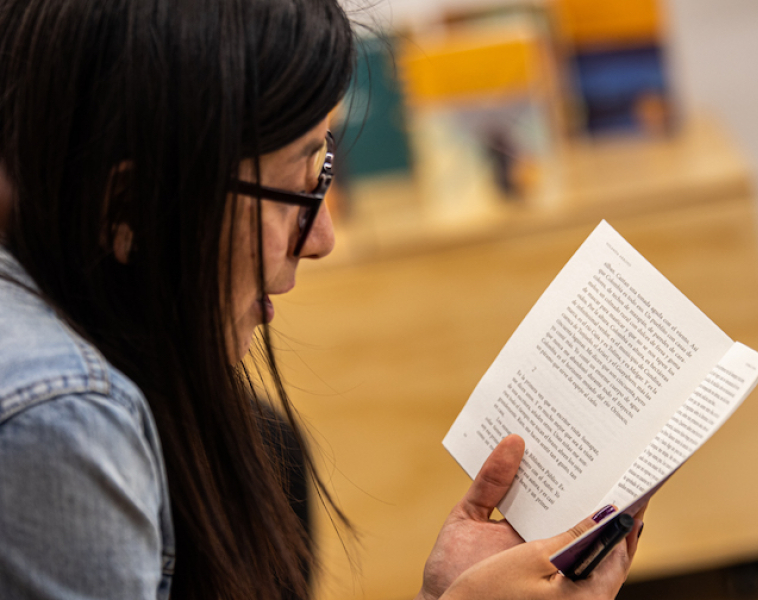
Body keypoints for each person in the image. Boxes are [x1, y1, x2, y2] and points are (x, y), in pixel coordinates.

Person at [0, 1, 644, 599]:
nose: (323, 239)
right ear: (130, 206)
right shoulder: (61, 420)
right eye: (300, 185)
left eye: (325, 170)